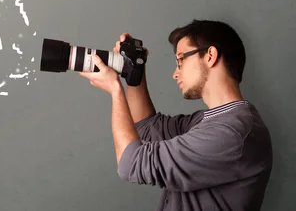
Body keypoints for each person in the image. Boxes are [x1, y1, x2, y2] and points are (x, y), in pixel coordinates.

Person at [79, 19, 273, 211]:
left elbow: (131, 164)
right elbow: (147, 127)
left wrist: (115, 89)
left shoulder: (231, 133)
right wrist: (134, 70)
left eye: (181, 60)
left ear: (210, 56)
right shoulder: (211, 121)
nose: (176, 73)